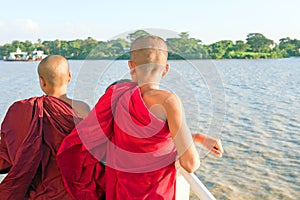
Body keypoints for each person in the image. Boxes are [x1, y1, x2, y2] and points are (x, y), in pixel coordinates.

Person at [57, 36, 223, 200]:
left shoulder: (116, 95)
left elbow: (125, 139)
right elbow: (190, 163)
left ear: (131, 66)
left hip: (120, 190)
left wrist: (197, 137)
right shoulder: (168, 101)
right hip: (154, 193)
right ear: (166, 69)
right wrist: (194, 141)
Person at [0, 55, 90, 199]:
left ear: (42, 81)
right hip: (74, 191)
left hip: (37, 193)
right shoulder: (83, 109)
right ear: (69, 77)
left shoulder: (23, 110)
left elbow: (7, 152)